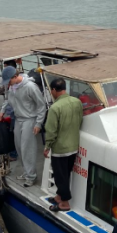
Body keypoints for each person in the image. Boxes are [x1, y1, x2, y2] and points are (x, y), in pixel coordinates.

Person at [0, 66, 46, 187]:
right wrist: (2, 110)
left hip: (29, 119)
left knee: (27, 148)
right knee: (19, 147)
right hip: (18, 119)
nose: (8, 84)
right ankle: (26, 171)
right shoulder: (12, 87)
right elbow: (7, 99)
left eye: (9, 81)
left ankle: (31, 176)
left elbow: (41, 106)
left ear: (15, 77)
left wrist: (38, 123)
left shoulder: (30, 87)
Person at [42, 78, 83, 211]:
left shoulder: (55, 108)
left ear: (54, 90)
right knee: (66, 173)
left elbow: (51, 130)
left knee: (60, 177)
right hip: (73, 145)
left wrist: (47, 146)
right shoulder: (77, 102)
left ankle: (64, 203)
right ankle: (59, 196)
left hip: (60, 148)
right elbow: (80, 120)